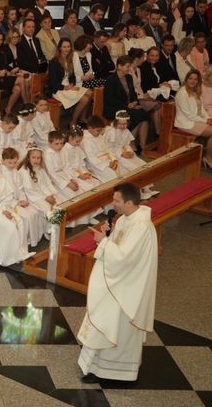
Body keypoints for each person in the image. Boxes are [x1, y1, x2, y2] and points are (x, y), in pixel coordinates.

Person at [77, 183, 158, 383]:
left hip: (128, 288)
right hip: (118, 281)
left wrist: (102, 242)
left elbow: (124, 258)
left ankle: (115, 373)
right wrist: (108, 235)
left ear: (129, 202)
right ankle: (96, 367)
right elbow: (119, 246)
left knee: (118, 327)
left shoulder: (141, 227)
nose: (113, 204)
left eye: (116, 200)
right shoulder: (124, 219)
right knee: (106, 322)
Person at [175, 70, 212, 167]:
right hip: (186, 123)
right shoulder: (182, 93)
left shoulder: (196, 91)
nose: (193, 81)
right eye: (190, 78)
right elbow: (189, 115)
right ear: (186, 79)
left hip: (196, 120)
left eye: (195, 79)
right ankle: (208, 158)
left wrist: (208, 118)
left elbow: (202, 109)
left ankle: (208, 156)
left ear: (198, 81)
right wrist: (206, 121)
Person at [0, 31, 24, 115]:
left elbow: (6, 65)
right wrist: (1, 73)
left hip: (4, 76)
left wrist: (14, 71)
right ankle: (27, 104)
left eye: (1, 40)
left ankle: (7, 109)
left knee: (18, 89)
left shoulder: (2, 50)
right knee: (21, 79)